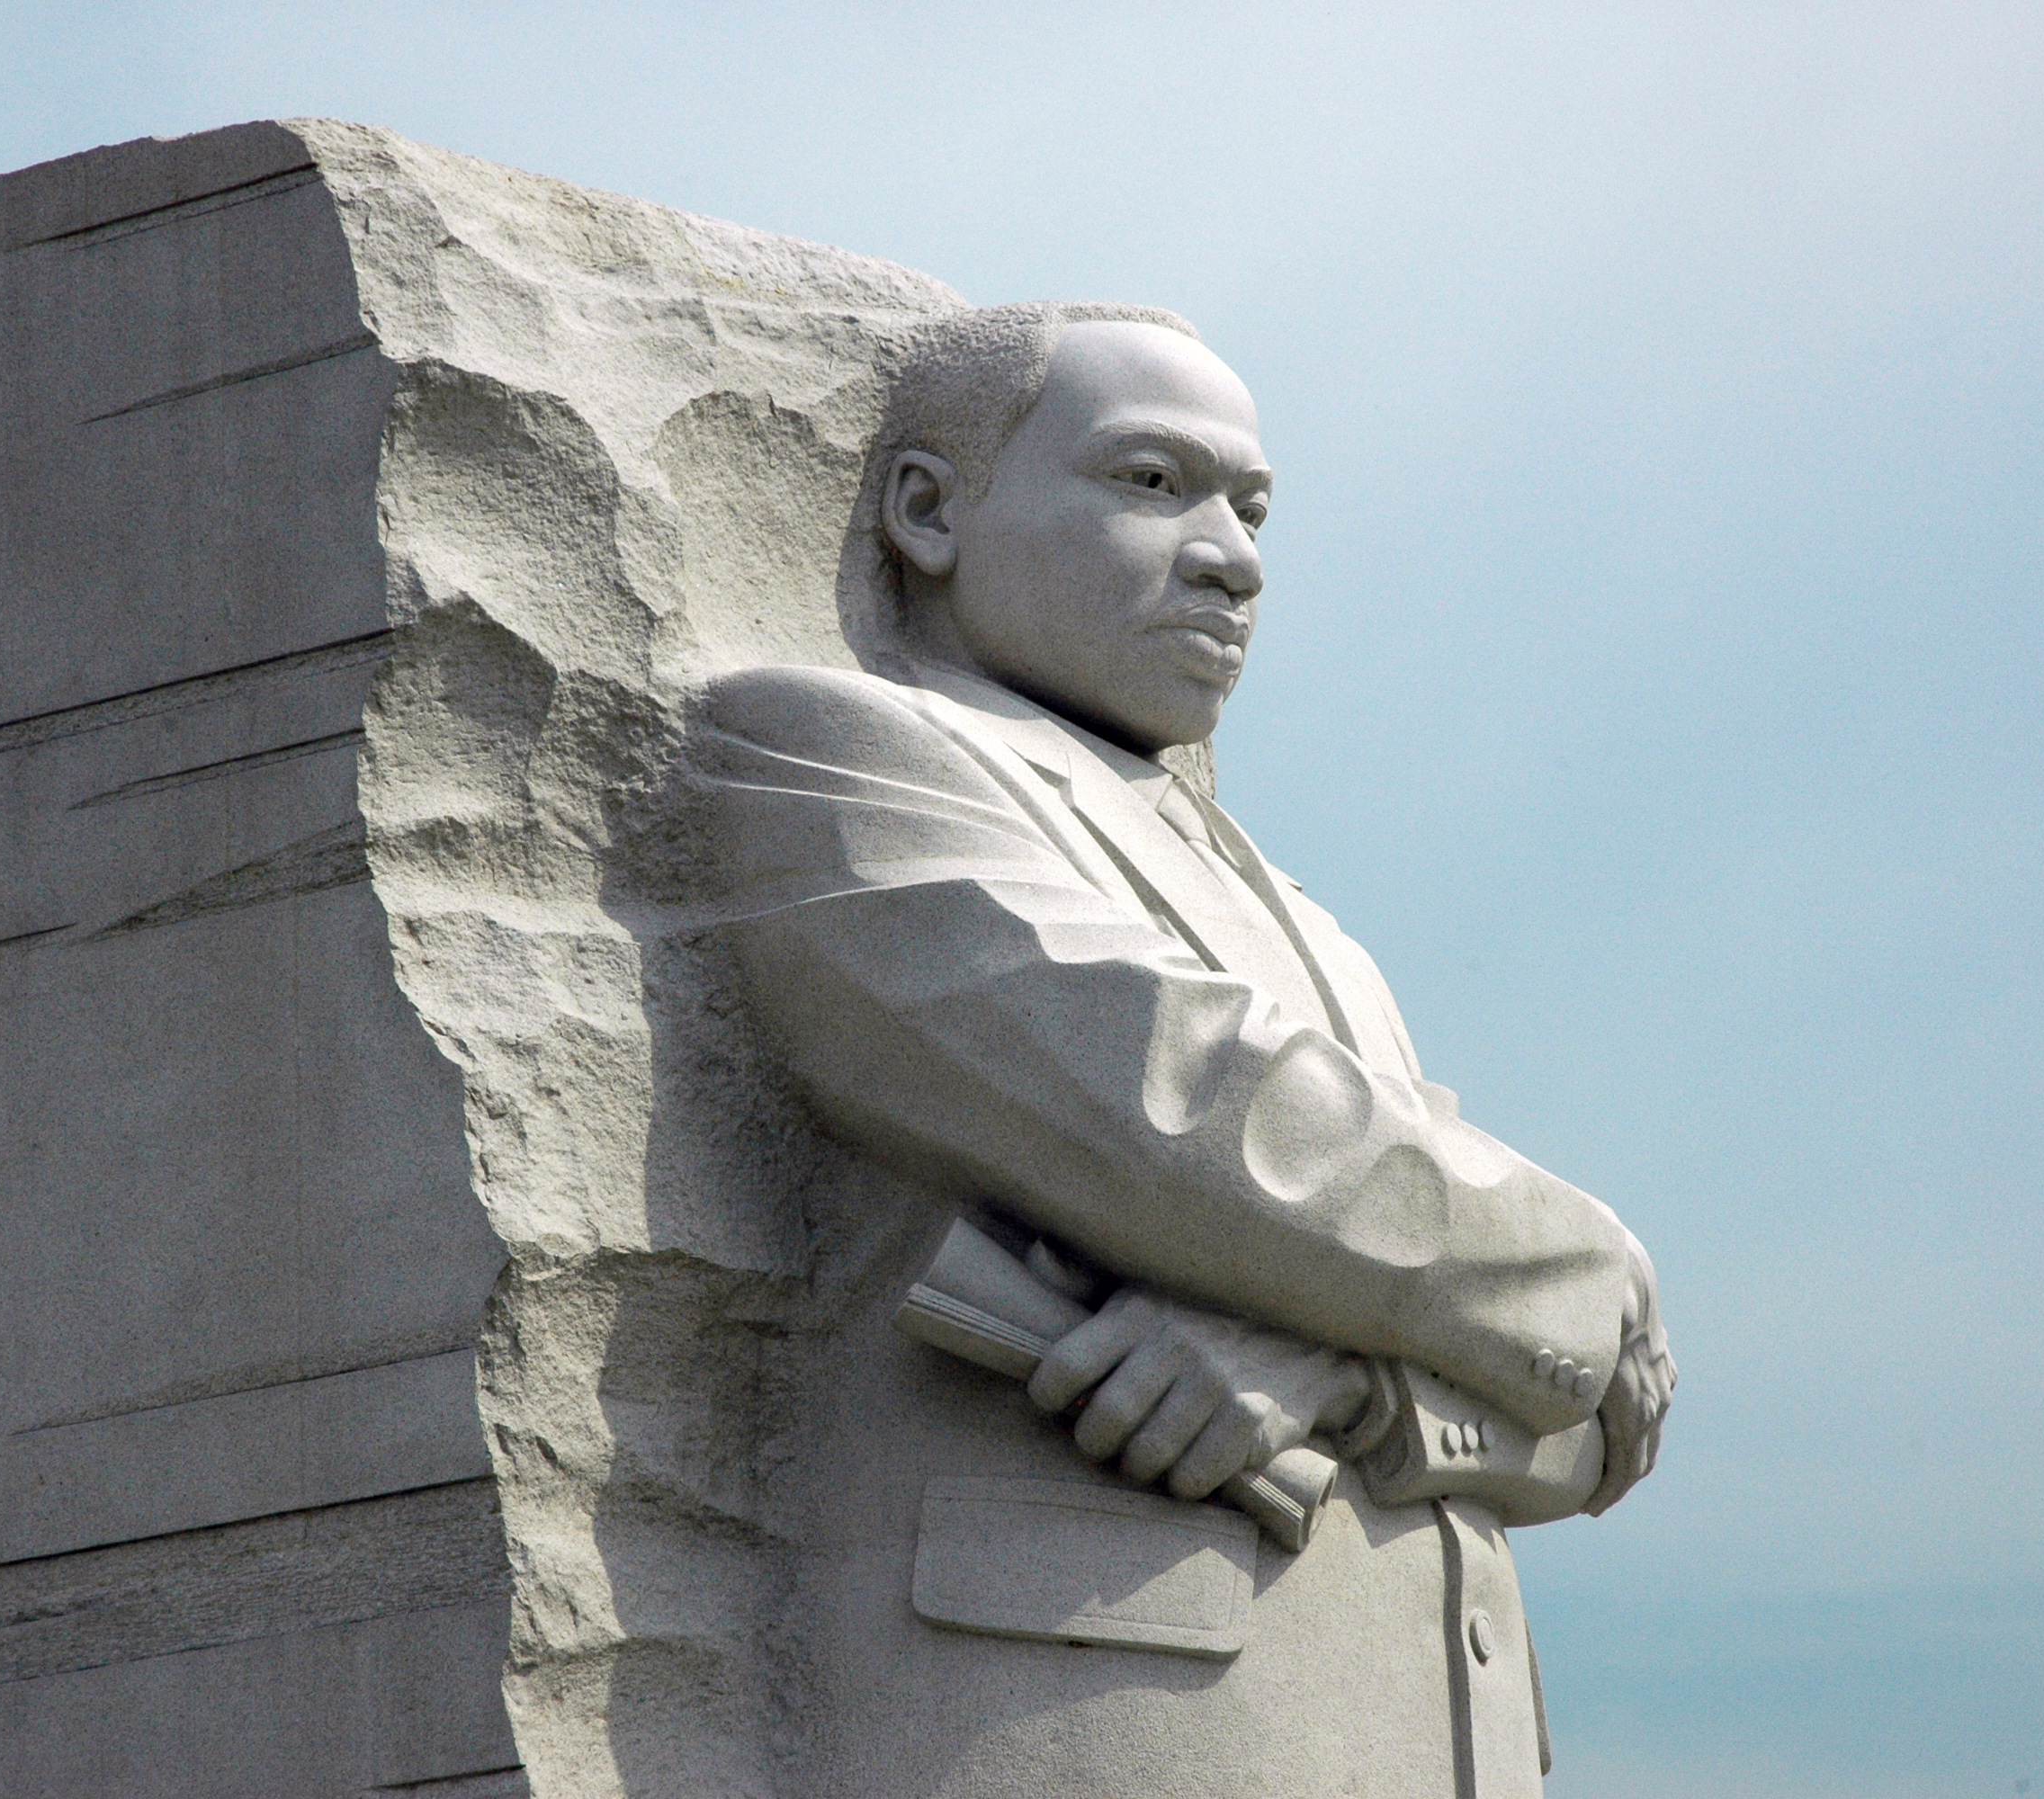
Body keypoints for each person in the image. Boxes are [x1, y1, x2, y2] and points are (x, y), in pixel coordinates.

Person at [690, 302, 1674, 1798]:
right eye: (1154, 483)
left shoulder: (1317, 932)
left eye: (1252, 510)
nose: (1233, 559)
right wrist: (1599, 1268)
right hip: (1100, 1724)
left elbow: (1596, 1432)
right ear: (928, 512)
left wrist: (1342, 1379)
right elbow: (1204, 1119)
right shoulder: (831, 756)